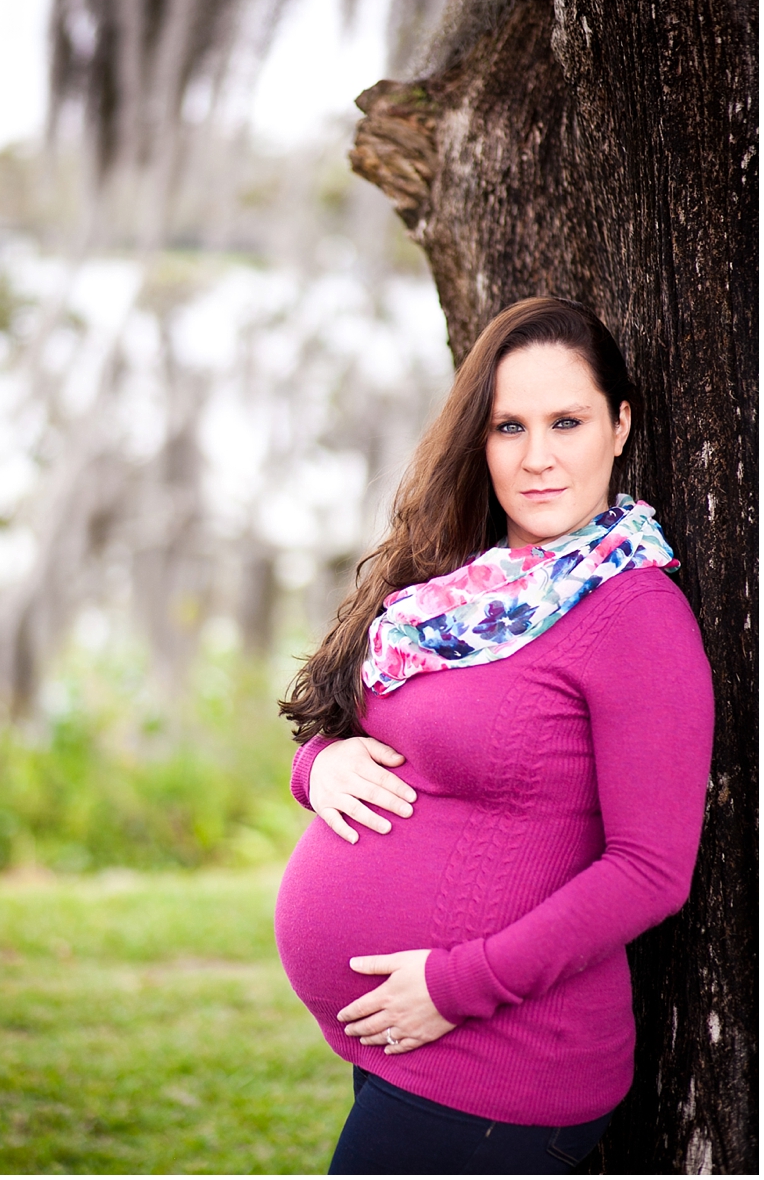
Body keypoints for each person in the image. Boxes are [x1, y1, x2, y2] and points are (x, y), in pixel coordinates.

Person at [275, 297, 714, 1175]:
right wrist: (317, 766)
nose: (537, 456)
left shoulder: (633, 613)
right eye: (509, 425)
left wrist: (453, 986)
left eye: (567, 421)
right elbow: (371, 732)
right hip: (404, 1046)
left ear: (619, 427)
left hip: (497, 1062)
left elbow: (650, 872)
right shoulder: (461, 591)